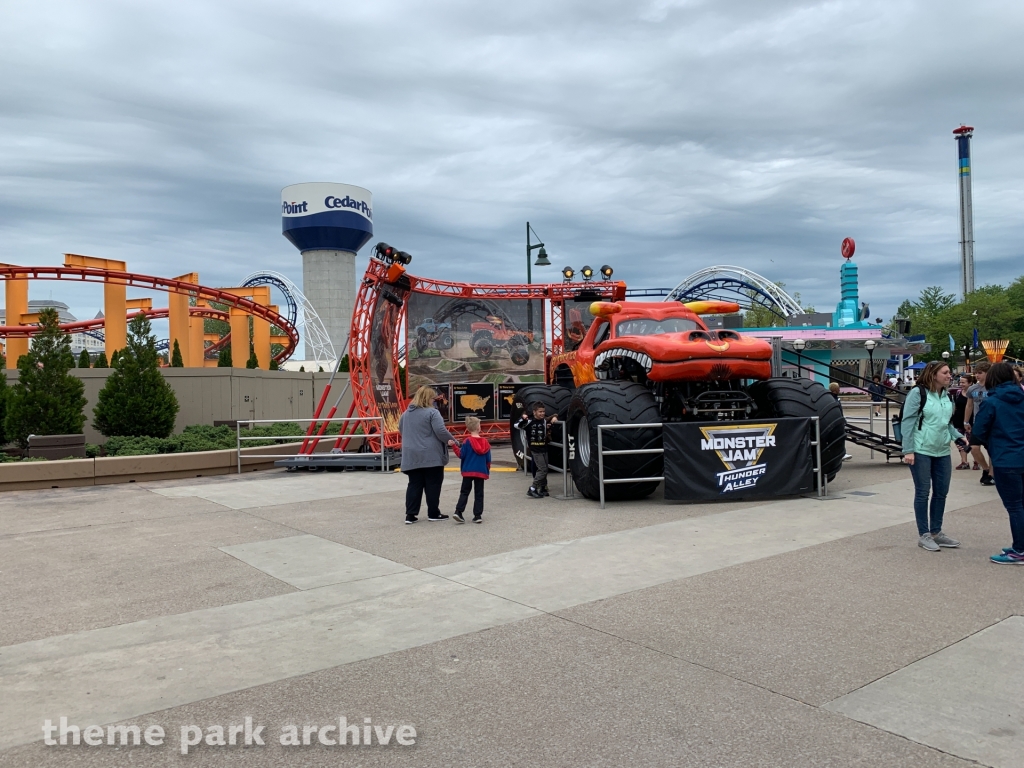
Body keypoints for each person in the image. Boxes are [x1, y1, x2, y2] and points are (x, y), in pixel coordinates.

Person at [900, 360, 964, 552]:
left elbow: (947, 423)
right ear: (933, 374)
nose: (949, 375)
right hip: (921, 450)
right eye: (945, 372)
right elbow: (908, 422)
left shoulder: (946, 395)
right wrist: (908, 449)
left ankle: (936, 532)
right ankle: (924, 534)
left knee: (941, 492)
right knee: (923, 492)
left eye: (949, 372)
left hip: (942, 450)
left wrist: (958, 436)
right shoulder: (917, 393)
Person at [970, 362, 1024, 564]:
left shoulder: (992, 402)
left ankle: (1019, 550)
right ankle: (1021, 543)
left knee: (1015, 506)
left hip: (1005, 457)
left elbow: (979, 431)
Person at [399, 386, 456, 524]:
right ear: (427, 398)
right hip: (431, 456)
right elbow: (440, 431)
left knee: (414, 484)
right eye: (432, 398)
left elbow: (401, 429)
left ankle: (410, 515)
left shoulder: (405, 414)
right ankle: (433, 513)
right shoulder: (432, 413)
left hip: (411, 456)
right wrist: (454, 442)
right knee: (433, 484)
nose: (434, 401)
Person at [451, 416, 491, 523]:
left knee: (464, 492)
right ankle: (477, 515)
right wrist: (487, 470)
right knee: (479, 493)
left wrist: (454, 446)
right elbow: (488, 459)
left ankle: (458, 511)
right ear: (479, 427)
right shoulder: (485, 442)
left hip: (468, 471)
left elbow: (461, 455)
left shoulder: (467, 441)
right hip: (480, 471)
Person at [517, 402, 558, 498]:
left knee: (545, 468)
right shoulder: (529, 421)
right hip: (535, 449)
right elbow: (517, 425)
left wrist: (554, 417)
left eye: (543, 412)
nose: (542, 414)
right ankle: (532, 488)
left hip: (544, 447)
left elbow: (553, 416)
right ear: (534, 412)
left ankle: (543, 488)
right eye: (540, 412)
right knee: (542, 469)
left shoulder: (544, 421)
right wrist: (523, 419)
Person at [964, 361, 994, 485]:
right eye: (976, 373)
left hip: (992, 423)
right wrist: (966, 421)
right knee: (974, 447)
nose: (977, 375)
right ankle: (986, 469)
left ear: (988, 373)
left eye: (980, 373)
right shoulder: (972, 388)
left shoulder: (994, 387)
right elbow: (969, 405)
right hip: (978, 423)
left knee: (992, 450)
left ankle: (991, 474)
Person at [950, 376, 972, 470]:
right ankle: (964, 461)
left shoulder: (973, 393)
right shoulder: (958, 393)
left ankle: (976, 461)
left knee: (972, 442)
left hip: (970, 420)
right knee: (960, 440)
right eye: (960, 382)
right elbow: (955, 406)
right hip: (958, 419)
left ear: (970, 383)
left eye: (964, 382)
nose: (961, 384)